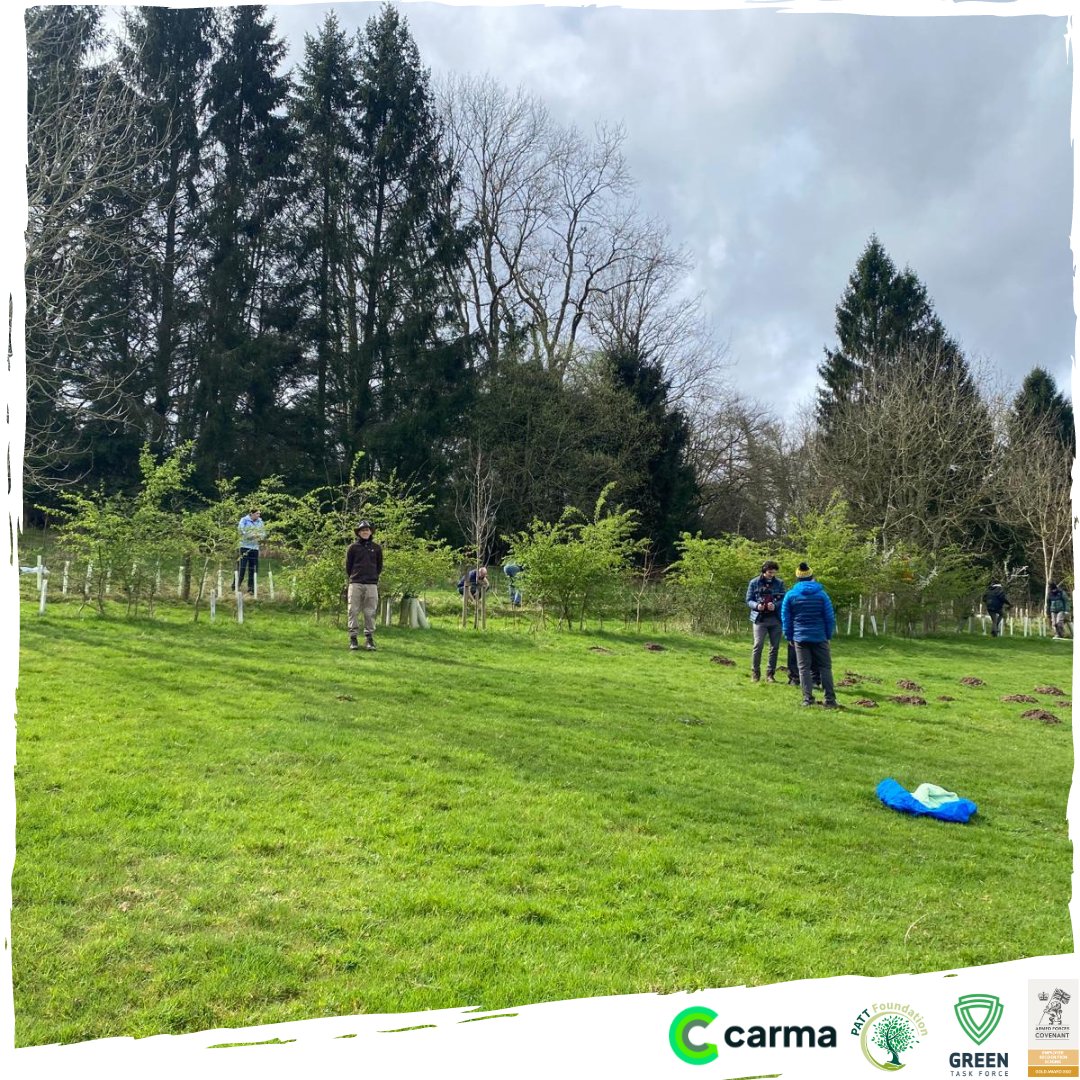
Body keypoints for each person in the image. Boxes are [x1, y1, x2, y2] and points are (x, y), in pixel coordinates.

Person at [780, 562, 838, 708]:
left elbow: (786, 619)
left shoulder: (790, 595)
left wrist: (789, 636)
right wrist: (828, 636)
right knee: (825, 667)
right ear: (812, 577)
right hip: (819, 637)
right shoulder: (822, 595)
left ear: (797, 578)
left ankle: (807, 699)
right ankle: (830, 700)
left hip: (800, 637)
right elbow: (829, 618)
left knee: (803, 668)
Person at [346, 520, 383, 651]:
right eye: (362, 530)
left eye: (367, 530)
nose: (365, 532)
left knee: (370, 611)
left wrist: (372, 577)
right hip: (355, 582)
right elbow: (348, 567)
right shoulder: (353, 548)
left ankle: (369, 638)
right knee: (353, 610)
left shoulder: (377, 548)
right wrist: (355, 577)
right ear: (359, 533)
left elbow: (379, 567)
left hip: (371, 584)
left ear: (371, 532)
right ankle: (353, 638)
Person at [746, 560, 785, 682]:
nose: (771, 575)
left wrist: (776, 605)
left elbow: (784, 599)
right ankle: (755, 673)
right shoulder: (754, 582)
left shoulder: (780, 583)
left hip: (775, 619)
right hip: (759, 619)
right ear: (764, 571)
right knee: (758, 645)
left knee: (774, 647)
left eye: (774, 573)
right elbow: (748, 600)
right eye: (769, 572)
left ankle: (770, 674)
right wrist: (757, 606)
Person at [236, 509, 266, 595]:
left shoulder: (260, 522)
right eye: (257, 514)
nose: (258, 515)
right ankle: (236, 585)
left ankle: (251, 588)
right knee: (242, 567)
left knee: (253, 568)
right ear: (251, 514)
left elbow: (263, 534)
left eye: (259, 514)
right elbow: (241, 531)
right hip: (244, 547)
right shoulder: (244, 520)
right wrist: (251, 535)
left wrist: (257, 536)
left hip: (255, 548)